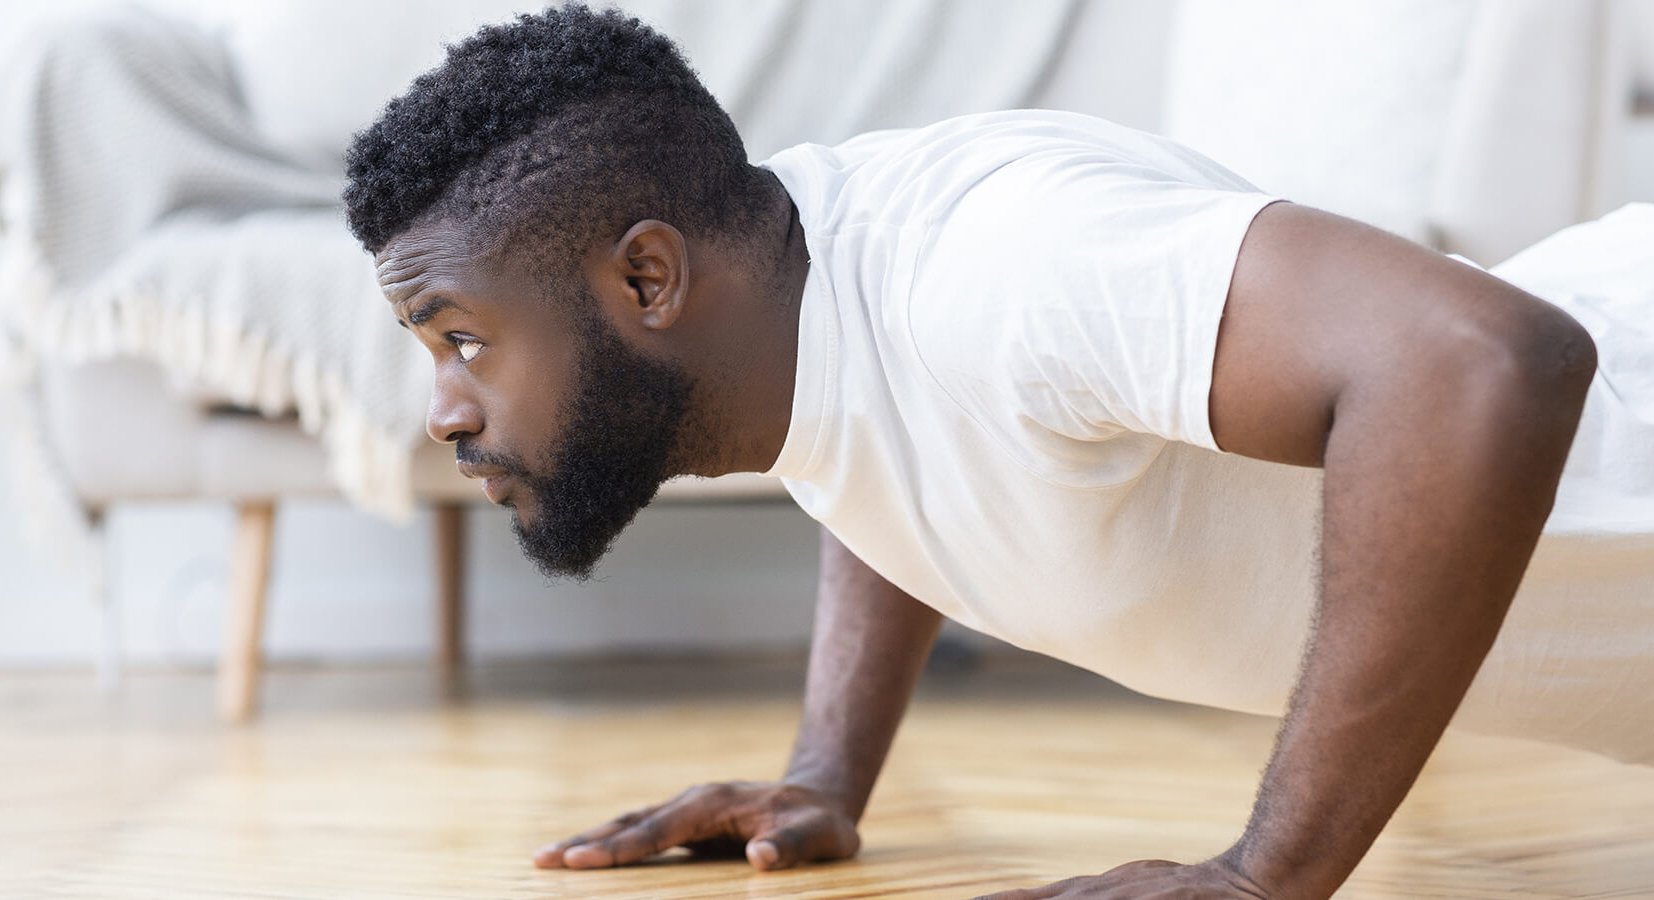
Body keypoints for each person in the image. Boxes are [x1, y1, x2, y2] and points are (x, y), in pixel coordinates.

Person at [342, 6, 1653, 898]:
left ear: (646, 279)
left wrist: (1268, 872)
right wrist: (825, 775)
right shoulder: (790, 300)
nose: (445, 409)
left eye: (461, 337)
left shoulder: (1000, 262)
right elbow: (886, 437)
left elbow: (1485, 366)